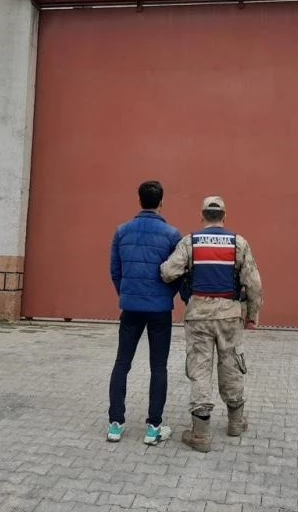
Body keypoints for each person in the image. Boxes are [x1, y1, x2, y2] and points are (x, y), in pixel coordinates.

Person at [160, 195, 263, 453]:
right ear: (224, 217)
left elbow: (168, 272)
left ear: (202, 216)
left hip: (199, 316)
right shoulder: (238, 243)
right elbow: (253, 283)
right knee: (231, 366)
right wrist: (252, 315)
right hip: (230, 315)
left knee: (200, 369)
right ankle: (236, 423)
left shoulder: (190, 241)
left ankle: (201, 435)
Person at [107, 180, 182, 445]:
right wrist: (165, 296)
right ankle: (153, 428)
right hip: (160, 310)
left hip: (130, 308)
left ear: (139, 201)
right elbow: (178, 274)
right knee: (158, 367)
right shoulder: (173, 235)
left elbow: (115, 271)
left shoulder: (121, 231)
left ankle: (115, 424)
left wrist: (126, 294)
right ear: (161, 202)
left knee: (122, 363)